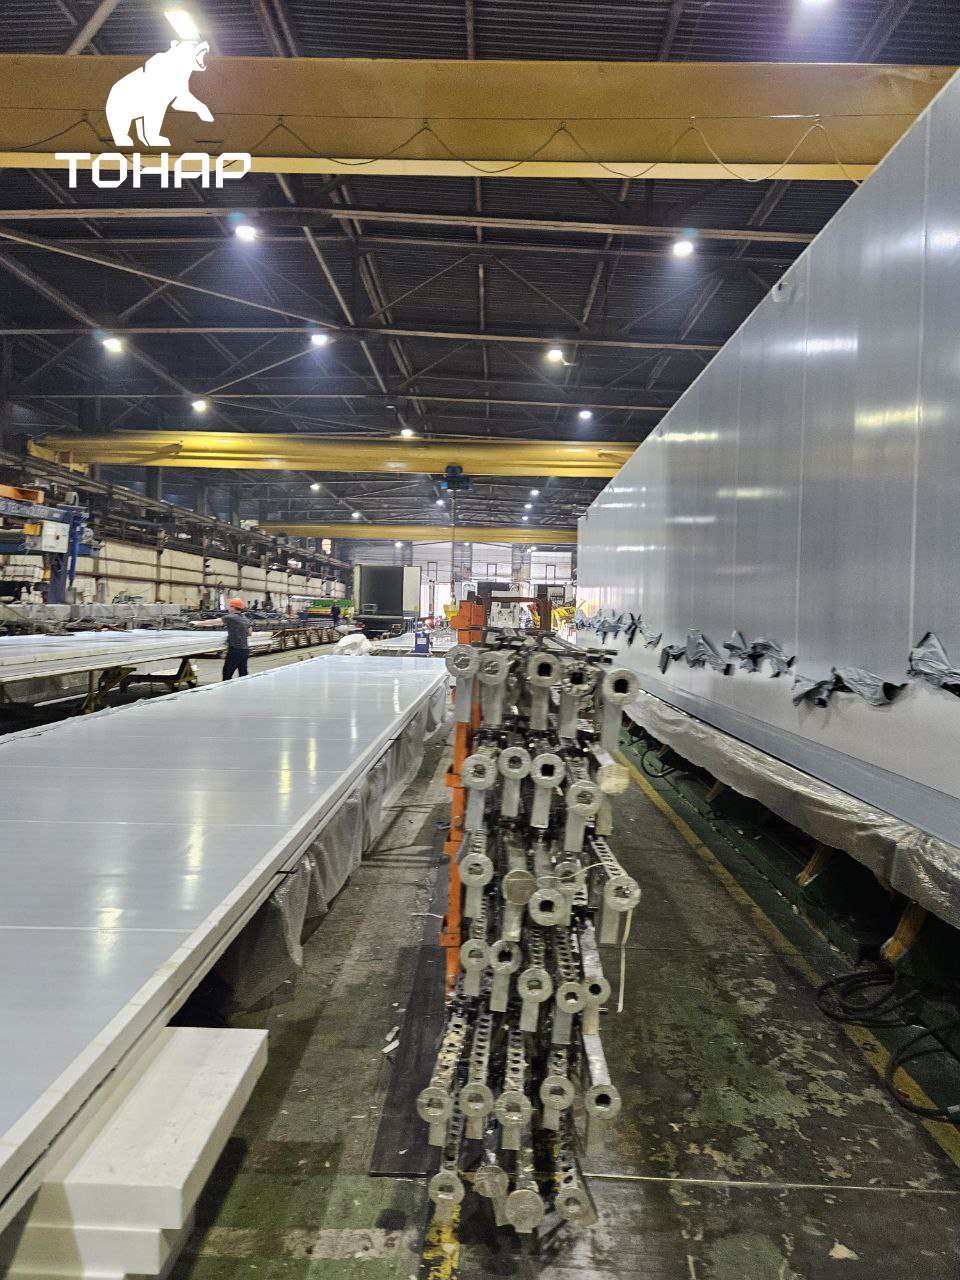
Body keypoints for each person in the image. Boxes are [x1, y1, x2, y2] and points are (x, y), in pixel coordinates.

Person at [222, 596, 250, 680]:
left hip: (235, 650)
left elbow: (214, 622)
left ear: (233, 607)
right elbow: (249, 633)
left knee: (227, 674)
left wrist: (197, 623)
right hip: (245, 651)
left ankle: (227, 688)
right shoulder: (245, 618)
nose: (228, 608)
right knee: (243, 675)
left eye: (229, 606)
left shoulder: (230, 617)